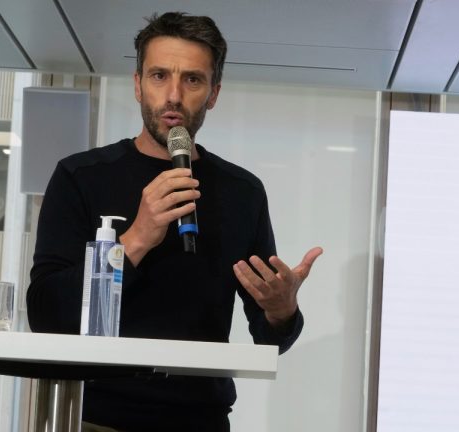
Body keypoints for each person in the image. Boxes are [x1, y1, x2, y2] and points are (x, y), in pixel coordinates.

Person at [27, 11, 322, 432]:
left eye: (193, 80)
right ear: (137, 84)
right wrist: (136, 239)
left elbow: (270, 336)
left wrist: (282, 309)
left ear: (214, 93)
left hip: (200, 419)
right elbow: (45, 313)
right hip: (97, 417)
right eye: (159, 75)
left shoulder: (243, 192)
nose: (174, 96)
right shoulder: (81, 176)